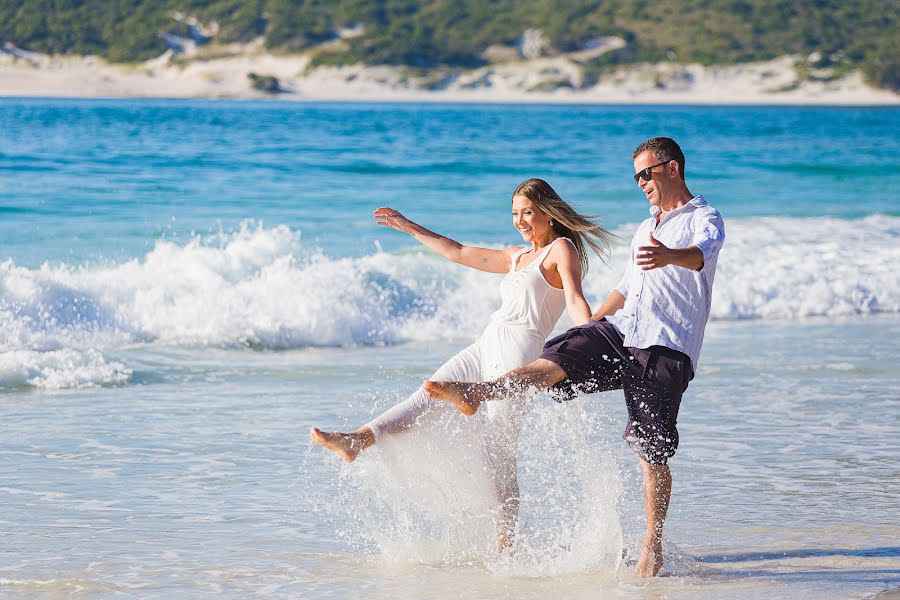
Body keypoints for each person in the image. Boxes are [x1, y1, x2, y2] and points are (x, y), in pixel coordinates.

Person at [424, 137, 725, 576]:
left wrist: (668, 256)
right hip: (624, 332)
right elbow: (625, 290)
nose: (641, 182)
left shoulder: (704, 218)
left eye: (647, 172)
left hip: (665, 345)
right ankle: (479, 391)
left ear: (673, 168)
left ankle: (651, 544)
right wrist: (591, 323)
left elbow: (700, 257)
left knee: (651, 451)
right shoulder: (647, 227)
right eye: (637, 175)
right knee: (557, 358)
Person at [311, 178, 612, 551]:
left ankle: (507, 541)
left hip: (518, 353)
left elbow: (575, 299)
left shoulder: (560, 249)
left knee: (498, 449)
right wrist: (410, 227)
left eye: (528, 212)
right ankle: (358, 439)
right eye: (515, 213)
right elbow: (457, 251)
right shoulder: (516, 256)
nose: (520, 220)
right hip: (485, 344)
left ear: (547, 213)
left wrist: (592, 335)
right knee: (428, 394)